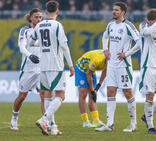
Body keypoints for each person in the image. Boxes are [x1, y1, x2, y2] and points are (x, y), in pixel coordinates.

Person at [118, 9, 156, 134]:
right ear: (151, 20)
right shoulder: (143, 26)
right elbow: (147, 33)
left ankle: (146, 115)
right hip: (148, 68)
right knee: (150, 96)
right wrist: (126, 54)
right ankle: (151, 127)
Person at [32, 0, 74, 136]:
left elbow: (32, 42)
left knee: (47, 95)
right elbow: (64, 46)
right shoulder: (57, 25)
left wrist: (43, 45)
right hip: (56, 65)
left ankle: (52, 126)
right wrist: (71, 65)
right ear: (57, 11)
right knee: (61, 96)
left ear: (45, 12)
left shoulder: (38, 26)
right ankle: (44, 119)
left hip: (42, 66)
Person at [95, 2, 138, 132]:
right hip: (112, 65)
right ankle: (110, 124)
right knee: (110, 91)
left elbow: (140, 42)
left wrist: (127, 53)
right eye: (113, 10)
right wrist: (105, 49)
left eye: (117, 10)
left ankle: (133, 123)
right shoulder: (110, 25)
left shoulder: (128, 26)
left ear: (123, 12)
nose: (114, 12)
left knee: (127, 92)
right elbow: (104, 36)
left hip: (123, 66)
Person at [10, 8, 44, 131]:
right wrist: (30, 55)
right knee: (22, 96)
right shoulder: (25, 30)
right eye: (36, 17)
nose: (39, 19)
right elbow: (21, 47)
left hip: (41, 69)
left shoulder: (43, 30)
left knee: (44, 95)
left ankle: (45, 121)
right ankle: (14, 117)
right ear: (30, 18)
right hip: (28, 69)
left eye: (40, 17)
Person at [75, 49, 106, 128]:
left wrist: (97, 87)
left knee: (93, 95)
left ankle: (96, 120)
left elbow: (105, 72)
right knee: (83, 94)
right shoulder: (97, 60)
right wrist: (92, 90)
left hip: (90, 69)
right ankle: (85, 121)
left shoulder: (111, 60)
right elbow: (88, 75)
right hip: (81, 68)